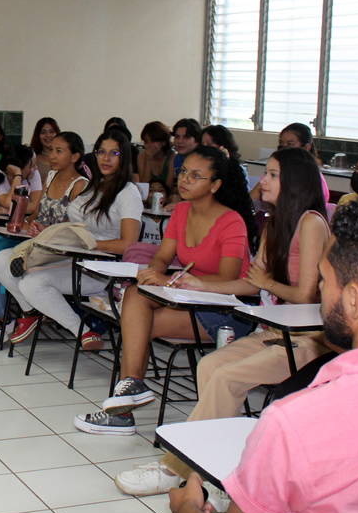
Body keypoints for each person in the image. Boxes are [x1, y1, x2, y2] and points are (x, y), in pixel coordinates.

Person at [159, 195, 358, 513]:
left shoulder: (295, 422)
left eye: (323, 280)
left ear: (353, 299)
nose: (320, 293)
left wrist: (187, 510)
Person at [103, 147, 330, 494]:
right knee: (209, 367)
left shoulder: (310, 222)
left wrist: (265, 283)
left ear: (293, 182)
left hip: (307, 338)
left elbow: (310, 295)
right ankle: (219, 465)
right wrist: (199, 284)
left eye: (271, 175)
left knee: (225, 377)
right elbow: (250, 283)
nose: (262, 181)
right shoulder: (274, 222)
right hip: (272, 329)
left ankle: (174, 467)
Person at [95, 145, 259, 434]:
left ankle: (122, 411)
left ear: (215, 185)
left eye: (196, 176)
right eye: (183, 172)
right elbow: (163, 255)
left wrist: (172, 282)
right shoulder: (181, 212)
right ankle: (129, 393)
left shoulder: (232, 221)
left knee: (138, 324)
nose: (184, 179)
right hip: (186, 296)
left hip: (223, 311)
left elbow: (227, 279)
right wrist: (154, 272)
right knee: (135, 294)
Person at [0, 131, 143, 347]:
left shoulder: (128, 192)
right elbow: (78, 225)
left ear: (124, 157)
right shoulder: (95, 186)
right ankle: (33, 310)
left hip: (101, 269)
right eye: (101, 152)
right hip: (74, 256)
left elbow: (128, 244)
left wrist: (88, 244)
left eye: (114, 153)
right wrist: (52, 230)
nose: (106, 158)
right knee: (1, 260)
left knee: (32, 283)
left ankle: (81, 330)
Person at [0, 136, 88, 351]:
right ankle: (32, 311)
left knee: (1, 266)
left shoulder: (80, 185)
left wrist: (45, 230)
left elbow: (75, 230)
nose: (52, 155)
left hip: (62, 251)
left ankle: (64, 323)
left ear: (75, 156)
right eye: (51, 150)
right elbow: (37, 214)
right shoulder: (51, 177)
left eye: (59, 151)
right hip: (39, 244)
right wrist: (29, 224)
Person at [252, 123, 329, 202]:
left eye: (290, 144)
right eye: (281, 143)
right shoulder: (276, 172)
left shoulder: (312, 178)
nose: (284, 148)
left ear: (306, 148)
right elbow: (251, 200)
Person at [166, 118, 201, 205]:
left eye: (186, 137)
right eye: (177, 137)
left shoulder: (203, 161)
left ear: (197, 141)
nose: (180, 141)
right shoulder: (178, 158)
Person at [137, 121, 176, 191]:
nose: (149, 145)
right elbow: (144, 189)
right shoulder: (141, 157)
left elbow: (168, 188)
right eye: (146, 141)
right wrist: (148, 160)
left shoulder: (173, 156)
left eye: (153, 141)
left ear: (164, 142)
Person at [29, 116, 60, 181]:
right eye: (43, 132)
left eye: (52, 131)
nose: (48, 135)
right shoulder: (31, 159)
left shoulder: (65, 157)